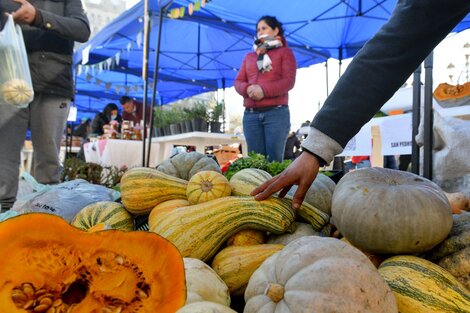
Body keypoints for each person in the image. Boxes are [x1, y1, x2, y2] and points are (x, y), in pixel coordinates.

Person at [252, 0, 470, 209]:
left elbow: (392, 50)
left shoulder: (284, 54)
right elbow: (393, 49)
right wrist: (315, 149)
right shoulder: (253, 56)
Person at [0, 0, 90, 211]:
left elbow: (82, 30)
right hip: (10, 83)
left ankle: (45, 213)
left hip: (53, 83)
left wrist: (38, 17)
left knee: (49, 161)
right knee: (4, 157)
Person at [234, 15, 296, 162]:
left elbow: (288, 82)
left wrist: (263, 90)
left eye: (264, 28)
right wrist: (248, 89)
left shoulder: (285, 53)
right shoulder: (249, 56)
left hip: (276, 114)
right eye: (258, 29)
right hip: (250, 116)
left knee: (274, 160)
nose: (260, 31)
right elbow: (238, 81)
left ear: (275, 30)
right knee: (255, 161)